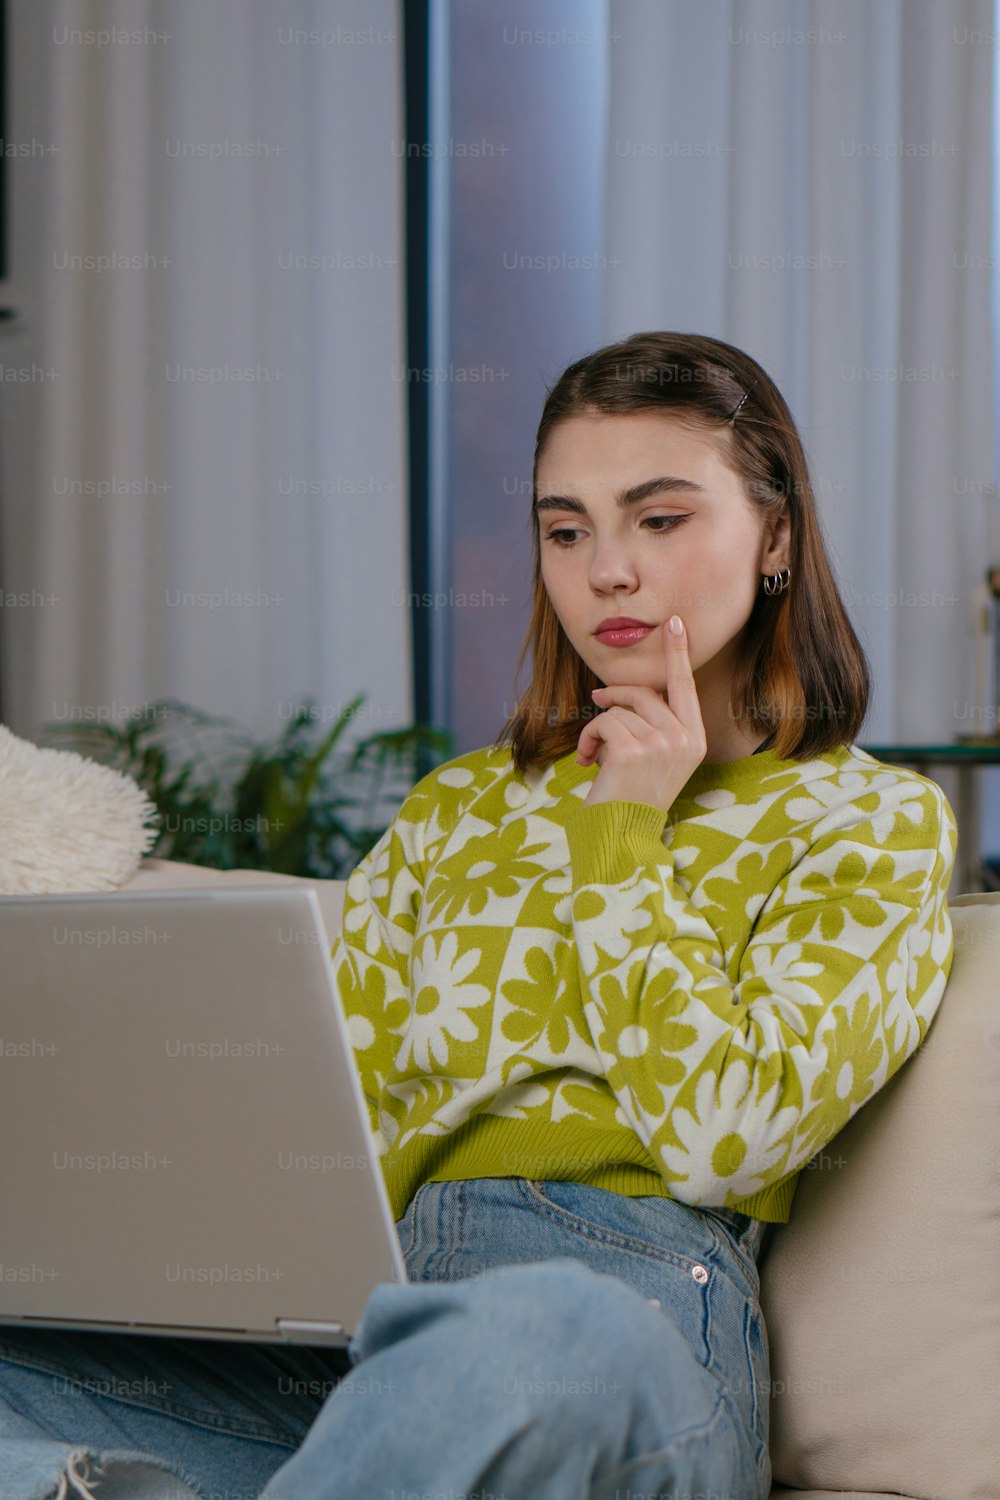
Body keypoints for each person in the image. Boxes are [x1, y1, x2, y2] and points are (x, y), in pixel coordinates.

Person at [0, 332, 957, 1500]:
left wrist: (622, 829)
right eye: (566, 531)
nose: (606, 570)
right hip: (376, 1338)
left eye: (658, 520)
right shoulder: (462, 806)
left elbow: (728, 1134)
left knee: (541, 1326)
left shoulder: (868, 819)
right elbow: (319, 1106)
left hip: (631, 1319)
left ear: (776, 538)